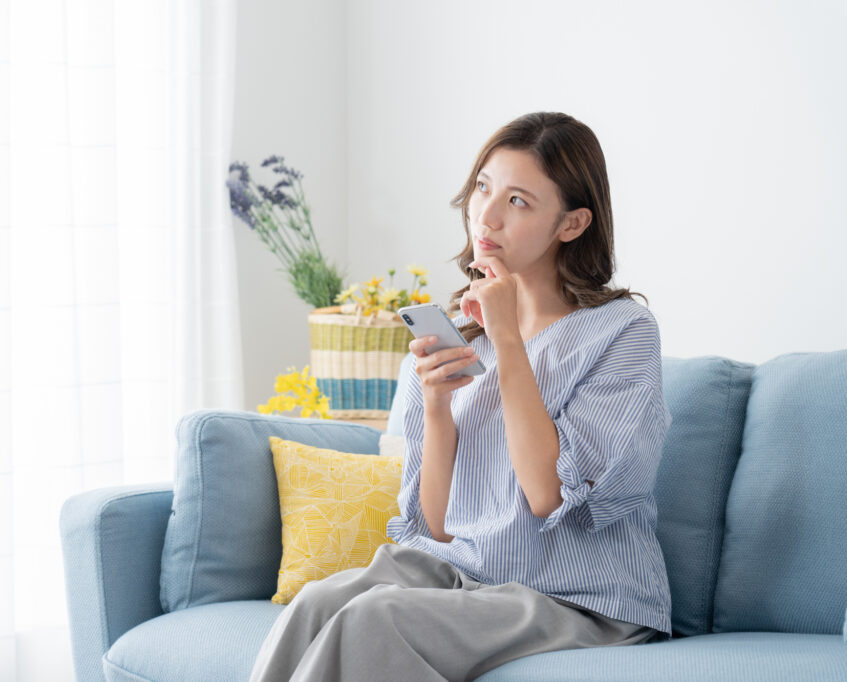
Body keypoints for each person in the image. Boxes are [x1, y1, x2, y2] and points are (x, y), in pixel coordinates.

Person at [249, 111, 673, 682]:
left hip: (580, 597)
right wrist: (436, 408)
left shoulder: (622, 332)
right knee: (316, 603)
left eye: (518, 201)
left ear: (572, 224)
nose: (487, 217)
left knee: (375, 619)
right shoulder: (459, 336)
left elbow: (548, 495)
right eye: (483, 188)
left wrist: (508, 336)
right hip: (466, 573)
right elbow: (436, 529)